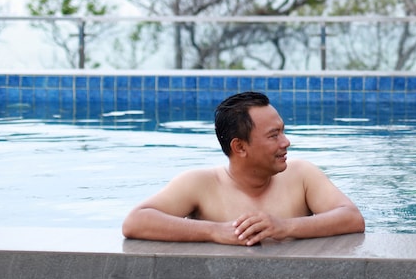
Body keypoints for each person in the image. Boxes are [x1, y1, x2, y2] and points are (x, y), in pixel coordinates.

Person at [122, 91, 365, 244]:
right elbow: (136, 221)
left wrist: (285, 226)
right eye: (274, 135)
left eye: (283, 131)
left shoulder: (301, 175)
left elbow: (352, 218)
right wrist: (215, 231)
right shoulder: (201, 184)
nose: (286, 142)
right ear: (239, 147)